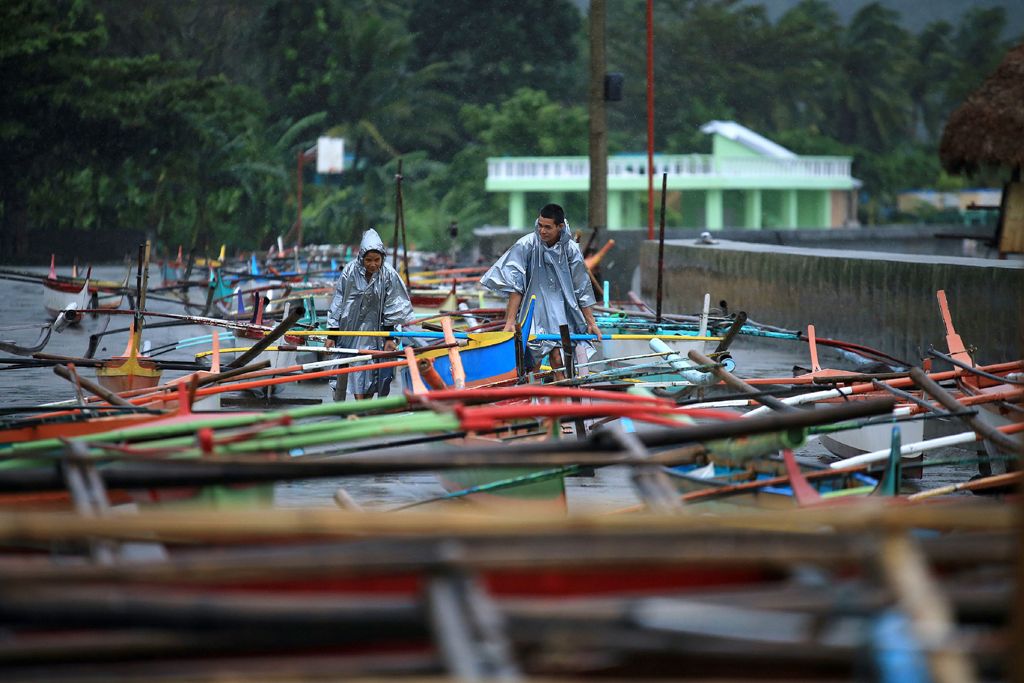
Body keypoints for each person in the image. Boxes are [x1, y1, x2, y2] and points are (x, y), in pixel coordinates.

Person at [480, 203, 601, 378]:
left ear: (560, 227)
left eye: (547, 227)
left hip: (563, 312)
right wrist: (510, 321)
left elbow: (581, 287)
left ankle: (563, 401)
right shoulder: (527, 244)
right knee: (531, 365)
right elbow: (516, 285)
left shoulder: (571, 249)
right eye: (540, 226)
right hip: (533, 311)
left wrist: (591, 322)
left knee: (559, 361)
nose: (542, 231)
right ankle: (532, 400)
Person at [326, 228, 414, 400]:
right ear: (361, 258)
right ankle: (360, 407)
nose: (373, 264)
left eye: (376, 260)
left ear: (382, 258)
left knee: (377, 374)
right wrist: (332, 333)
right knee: (355, 371)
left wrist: (390, 337)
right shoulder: (349, 272)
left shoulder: (389, 274)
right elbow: (338, 301)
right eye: (368, 260)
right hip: (352, 332)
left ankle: (366, 407)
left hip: (379, 333)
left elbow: (394, 305)